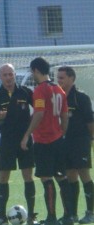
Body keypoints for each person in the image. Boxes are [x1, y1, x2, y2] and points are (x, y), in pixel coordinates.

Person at [20, 57, 74, 225]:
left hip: (44, 141)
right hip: (58, 139)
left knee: (46, 178)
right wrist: (62, 132)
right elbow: (65, 116)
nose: (32, 75)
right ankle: (69, 216)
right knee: (62, 177)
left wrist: (27, 134)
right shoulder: (59, 89)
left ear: (36, 70)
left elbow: (39, 113)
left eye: (32, 72)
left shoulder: (40, 90)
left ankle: (51, 217)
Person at [0, 64, 37, 225]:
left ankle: (31, 216)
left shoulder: (26, 92)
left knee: (28, 176)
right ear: (0, 77)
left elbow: (39, 110)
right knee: (3, 177)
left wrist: (31, 125)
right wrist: (0, 117)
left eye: (10, 74)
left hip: (25, 139)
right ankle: (1, 215)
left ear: (15, 75)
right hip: (7, 140)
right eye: (5, 75)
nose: (8, 78)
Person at [57, 66, 94, 224]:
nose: (59, 81)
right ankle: (72, 214)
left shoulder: (81, 97)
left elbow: (90, 121)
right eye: (58, 78)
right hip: (65, 144)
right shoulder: (58, 97)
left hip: (80, 142)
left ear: (71, 78)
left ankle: (91, 212)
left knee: (84, 176)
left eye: (62, 78)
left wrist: (92, 139)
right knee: (70, 177)